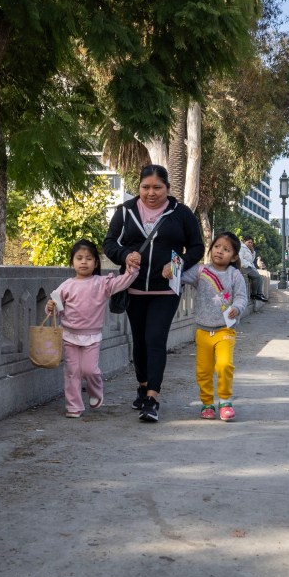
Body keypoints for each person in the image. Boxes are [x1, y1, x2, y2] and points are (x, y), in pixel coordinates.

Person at [103, 164, 205, 423]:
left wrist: (178, 262)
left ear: (168, 189)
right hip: (133, 289)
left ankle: (152, 398)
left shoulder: (181, 214)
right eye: (145, 187)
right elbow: (109, 243)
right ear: (138, 188)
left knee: (155, 339)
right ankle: (142, 384)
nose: (151, 193)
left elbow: (197, 247)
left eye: (157, 187)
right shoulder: (125, 212)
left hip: (165, 291)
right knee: (139, 341)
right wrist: (126, 254)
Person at [46, 240, 139, 418]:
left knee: (90, 370)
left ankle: (96, 392)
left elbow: (123, 282)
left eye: (88, 258)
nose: (83, 262)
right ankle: (74, 406)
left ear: (96, 263)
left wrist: (132, 269)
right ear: (72, 262)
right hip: (69, 336)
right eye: (79, 258)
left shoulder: (102, 283)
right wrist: (50, 307)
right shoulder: (66, 285)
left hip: (92, 337)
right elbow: (56, 309)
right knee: (72, 372)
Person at [180, 232, 249, 421]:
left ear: (234, 256)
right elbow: (181, 277)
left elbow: (242, 297)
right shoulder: (200, 271)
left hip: (225, 329)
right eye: (217, 247)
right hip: (202, 330)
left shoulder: (235, 275)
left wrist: (237, 307)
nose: (220, 251)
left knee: (225, 365)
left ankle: (225, 401)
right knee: (203, 370)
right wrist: (171, 271)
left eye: (226, 250)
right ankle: (207, 403)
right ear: (211, 249)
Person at [239, 236, 269, 302]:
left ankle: (260, 294)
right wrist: (247, 265)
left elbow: (251, 260)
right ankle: (254, 294)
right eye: (249, 242)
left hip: (249, 266)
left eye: (251, 242)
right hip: (243, 267)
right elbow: (240, 259)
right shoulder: (241, 248)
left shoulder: (248, 249)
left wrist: (252, 252)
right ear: (244, 242)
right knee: (257, 277)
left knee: (260, 278)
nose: (250, 244)